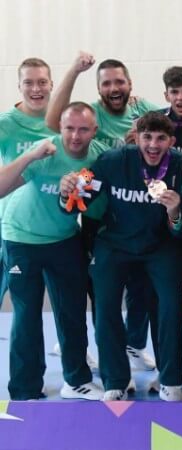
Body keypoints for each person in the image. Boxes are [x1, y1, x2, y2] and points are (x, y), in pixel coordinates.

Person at [59, 111, 182, 401]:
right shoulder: (111, 160)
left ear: (171, 141)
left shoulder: (181, 166)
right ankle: (116, 380)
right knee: (105, 306)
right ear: (136, 137)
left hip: (160, 246)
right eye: (147, 137)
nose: (153, 145)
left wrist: (175, 212)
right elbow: (80, 196)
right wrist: (67, 192)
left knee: (171, 306)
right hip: (115, 244)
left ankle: (171, 379)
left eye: (161, 138)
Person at [46, 52, 160, 372]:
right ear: (98, 89)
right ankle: (80, 345)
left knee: (139, 285)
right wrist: (74, 71)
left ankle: (133, 344)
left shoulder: (144, 110)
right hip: (97, 215)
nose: (114, 88)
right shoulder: (90, 114)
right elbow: (54, 121)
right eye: (106, 83)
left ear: (130, 84)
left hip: (136, 213)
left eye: (119, 82)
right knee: (96, 287)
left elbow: (173, 126)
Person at [0, 102, 106, 400]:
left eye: (83, 129)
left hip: (63, 239)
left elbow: (93, 202)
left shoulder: (98, 158)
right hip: (21, 237)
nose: (75, 136)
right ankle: (25, 388)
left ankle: (76, 380)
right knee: (27, 315)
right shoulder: (45, 151)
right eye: (69, 128)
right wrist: (29, 156)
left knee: (72, 311)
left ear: (94, 130)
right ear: (60, 128)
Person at [0, 57, 57, 312]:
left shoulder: (63, 121)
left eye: (42, 82)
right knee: (23, 308)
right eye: (29, 83)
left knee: (66, 304)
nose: (36, 89)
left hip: (57, 229)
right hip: (14, 229)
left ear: (51, 84)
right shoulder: (5, 123)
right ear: (19, 86)